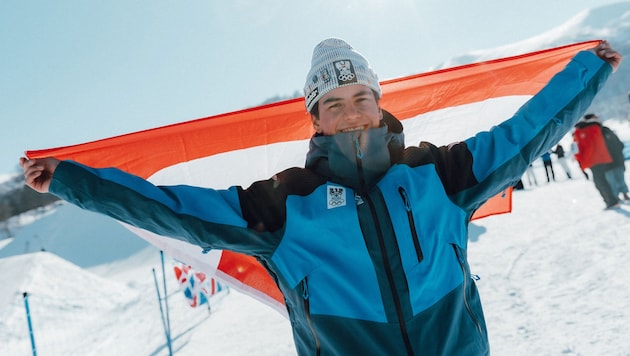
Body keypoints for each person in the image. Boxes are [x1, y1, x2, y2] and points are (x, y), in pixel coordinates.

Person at [20, 39, 621, 355]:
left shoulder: (440, 173)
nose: (352, 111)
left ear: (379, 102)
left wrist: (586, 73)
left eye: (361, 96)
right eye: (334, 103)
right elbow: (170, 207)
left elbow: (525, 133)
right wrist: (74, 180)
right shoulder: (283, 206)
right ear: (316, 120)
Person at [573, 114, 621, 209]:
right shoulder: (593, 128)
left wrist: (584, 162)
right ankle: (611, 200)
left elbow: (586, 148)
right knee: (602, 180)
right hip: (600, 158)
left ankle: (612, 201)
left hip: (594, 160)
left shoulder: (582, 132)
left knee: (600, 182)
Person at [600, 117, 630, 201]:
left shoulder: (597, 135)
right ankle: (624, 194)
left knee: (612, 181)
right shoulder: (610, 132)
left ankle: (616, 196)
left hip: (607, 163)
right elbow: (620, 145)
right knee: (620, 179)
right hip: (616, 161)